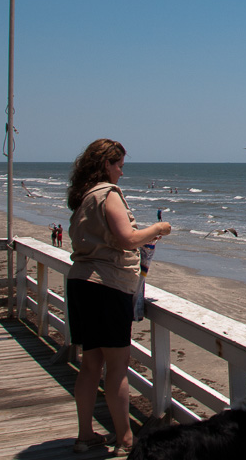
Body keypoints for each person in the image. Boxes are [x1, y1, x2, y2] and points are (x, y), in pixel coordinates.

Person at [66, 139, 171, 455]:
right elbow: (127, 239)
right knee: (117, 367)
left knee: (90, 365)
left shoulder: (83, 198)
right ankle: (126, 439)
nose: (122, 173)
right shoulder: (107, 195)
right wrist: (157, 229)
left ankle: (85, 435)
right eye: (119, 166)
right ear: (106, 165)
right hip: (106, 287)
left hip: (81, 284)